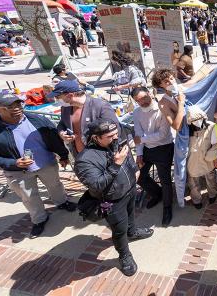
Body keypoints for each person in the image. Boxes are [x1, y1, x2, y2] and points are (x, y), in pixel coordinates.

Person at [0, 94, 76, 238]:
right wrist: (12, 163)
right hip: (17, 172)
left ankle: (61, 202)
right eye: (10, 107)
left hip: (46, 164)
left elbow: (54, 138)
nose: (16, 109)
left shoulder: (38, 120)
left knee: (55, 185)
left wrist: (63, 155)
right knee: (29, 197)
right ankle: (40, 219)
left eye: (18, 105)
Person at [74, 119, 154, 277]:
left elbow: (127, 156)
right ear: (96, 138)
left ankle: (132, 232)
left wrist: (133, 171)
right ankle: (124, 255)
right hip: (111, 201)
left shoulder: (115, 142)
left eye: (116, 134)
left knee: (131, 216)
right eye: (110, 136)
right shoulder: (85, 160)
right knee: (119, 230)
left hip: (130, 190)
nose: (116, 138)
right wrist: (116, 164)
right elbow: (96, 185)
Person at [131, 87, 174, 226]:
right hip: (147, 149)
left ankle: (167, 208)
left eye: (144, 98)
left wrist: (142, 140)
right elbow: (138, 133)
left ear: (150, 93)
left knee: (165, 180)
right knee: (139, 176)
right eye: (138, 100)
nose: (142, 102)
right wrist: (139, 153)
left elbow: (162, 135)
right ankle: (157, 194)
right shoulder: (137, 112)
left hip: (163, 148)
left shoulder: (162, 109)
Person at [52, 80, 118, 157]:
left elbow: (115, 131)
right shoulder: (65, 108)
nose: (56, 100)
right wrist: (62, 133)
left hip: (100, 157)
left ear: (70, 95)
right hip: (79, 156)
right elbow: (62, 123)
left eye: (58, 97)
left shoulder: (101, 106)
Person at [187, 108, 217, 209]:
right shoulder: (186, 130)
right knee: (193, 182)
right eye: (194, 120)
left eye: (200, 118)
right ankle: (196, 200)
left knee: (211, 178)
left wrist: (211, 156)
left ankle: (213, 195)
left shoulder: (212, 126)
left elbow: (216, 143)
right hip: (193, 161)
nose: (198, 121)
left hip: (207, 159)